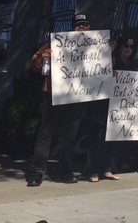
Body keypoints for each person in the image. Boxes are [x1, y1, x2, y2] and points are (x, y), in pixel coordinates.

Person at [26, 13, 92, 187]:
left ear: (90, 28)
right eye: (79, 25)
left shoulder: (95, 46)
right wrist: (43, 58)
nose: (82, 28)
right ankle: (37, 171)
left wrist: (111, 52)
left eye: (85, 25)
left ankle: (65, 171)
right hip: (55, 94)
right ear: (73, 27)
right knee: (45, 134)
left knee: (69, 136)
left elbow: (103, 69)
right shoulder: (58, 42)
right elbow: (34, 63)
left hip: (77, 97)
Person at [88, 35, 138, 182]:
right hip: (106, 107)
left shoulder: (133, 65)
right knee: (102, 140)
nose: (128, 49)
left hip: (122, 109)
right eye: (126, 46)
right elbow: (99, 73)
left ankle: (107, 169)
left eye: (131, 47)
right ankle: (95, 170)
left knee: (115, 140)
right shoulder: (112, 61)